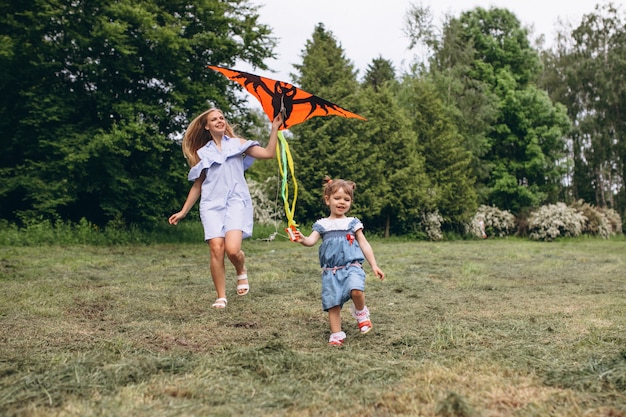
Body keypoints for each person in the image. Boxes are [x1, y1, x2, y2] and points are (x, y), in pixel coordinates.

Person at [169, 108, 283, 309]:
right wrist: (183, 211)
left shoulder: (239, 145)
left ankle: (241, 269)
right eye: (214, 119)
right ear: (207, 126)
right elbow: (198, 184)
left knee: (232, 249)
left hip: (236, 202)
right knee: (216, 248)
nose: (220, 121)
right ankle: (221, 296)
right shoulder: (203, 153)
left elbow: (268, 153)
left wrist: (274, 128)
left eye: (222, 118)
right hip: (211, 205)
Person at [292, 176, 384, 346]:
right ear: (328, 200)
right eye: (337, 198)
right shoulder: (322, 225)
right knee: (333, 304)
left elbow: (364, 243)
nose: (342, 202)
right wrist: (301, 238)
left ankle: (361, 313)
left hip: (352, 266)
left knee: (356, 290)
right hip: (331, 271)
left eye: (346, 199)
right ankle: (336, 334)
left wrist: (374, 265)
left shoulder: (352, 223)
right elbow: (310, 241)